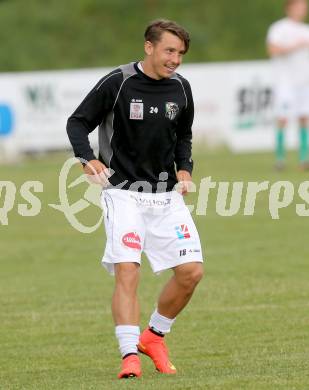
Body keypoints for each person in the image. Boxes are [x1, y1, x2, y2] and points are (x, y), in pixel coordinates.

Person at [66, 19, 203, 379]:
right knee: (128, 271)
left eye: (180, 54)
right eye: (169, 50)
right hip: (123, 194)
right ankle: (129, 355)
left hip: (165, 196)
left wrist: (184, 167)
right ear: (149, 47)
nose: (175, 59)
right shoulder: (119, 82)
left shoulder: (182, 88)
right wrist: (87, 157)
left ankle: (154, 336)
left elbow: (183, 135)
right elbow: (77, 122)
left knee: (191, 273)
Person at [266, 0, 309, 170]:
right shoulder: (279, 28)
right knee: (283, 118)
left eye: (303, 6)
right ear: (289, 8)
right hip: (285, 83)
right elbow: (273, 49)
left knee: (304, 118)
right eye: (298, 6)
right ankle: (280, 159)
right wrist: (295, 46)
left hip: (304, 83)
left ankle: (304, 159)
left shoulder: (306, 30)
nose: (301, 10)